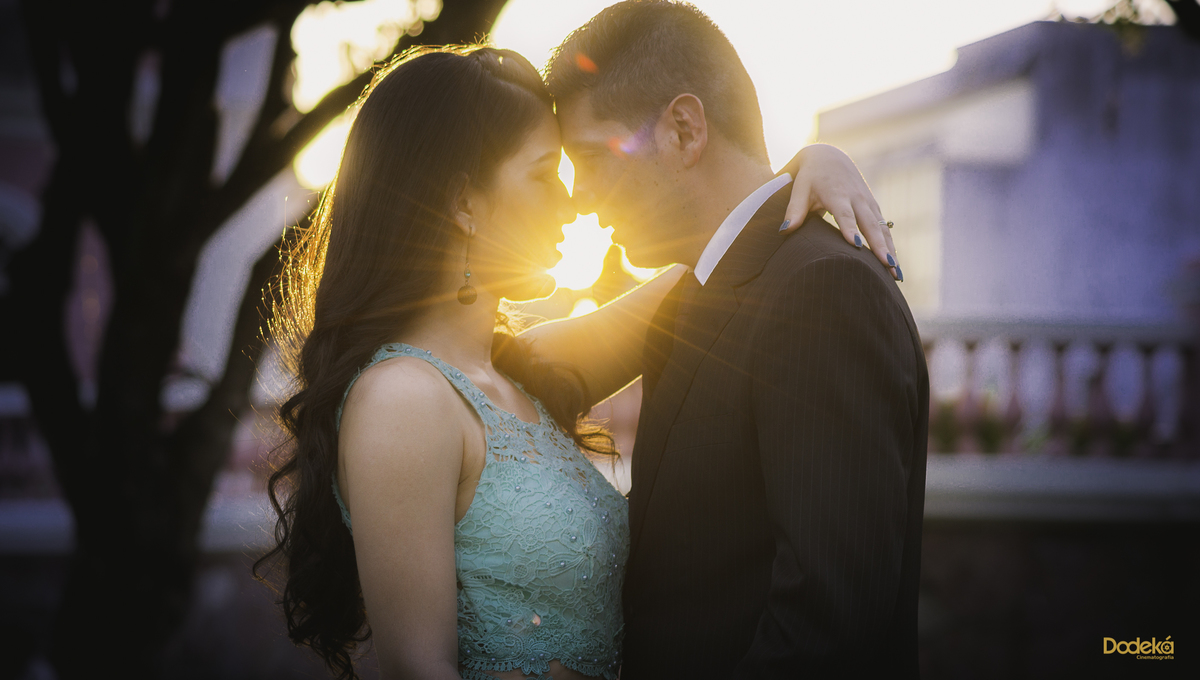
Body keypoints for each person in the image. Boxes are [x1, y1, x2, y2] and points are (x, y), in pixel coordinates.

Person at [254, 42, 892, 680]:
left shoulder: (519, 369)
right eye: (543, 177)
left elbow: (720, 263)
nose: (572, 206)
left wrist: (812, 164)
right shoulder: (403, 399)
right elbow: (418, 669)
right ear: (464, 203)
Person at [545, 2, 928, 678]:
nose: (578, 198)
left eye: (588, 159)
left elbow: (826, 631)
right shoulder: (701, 292)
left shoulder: (823, 293)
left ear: (684, 130)